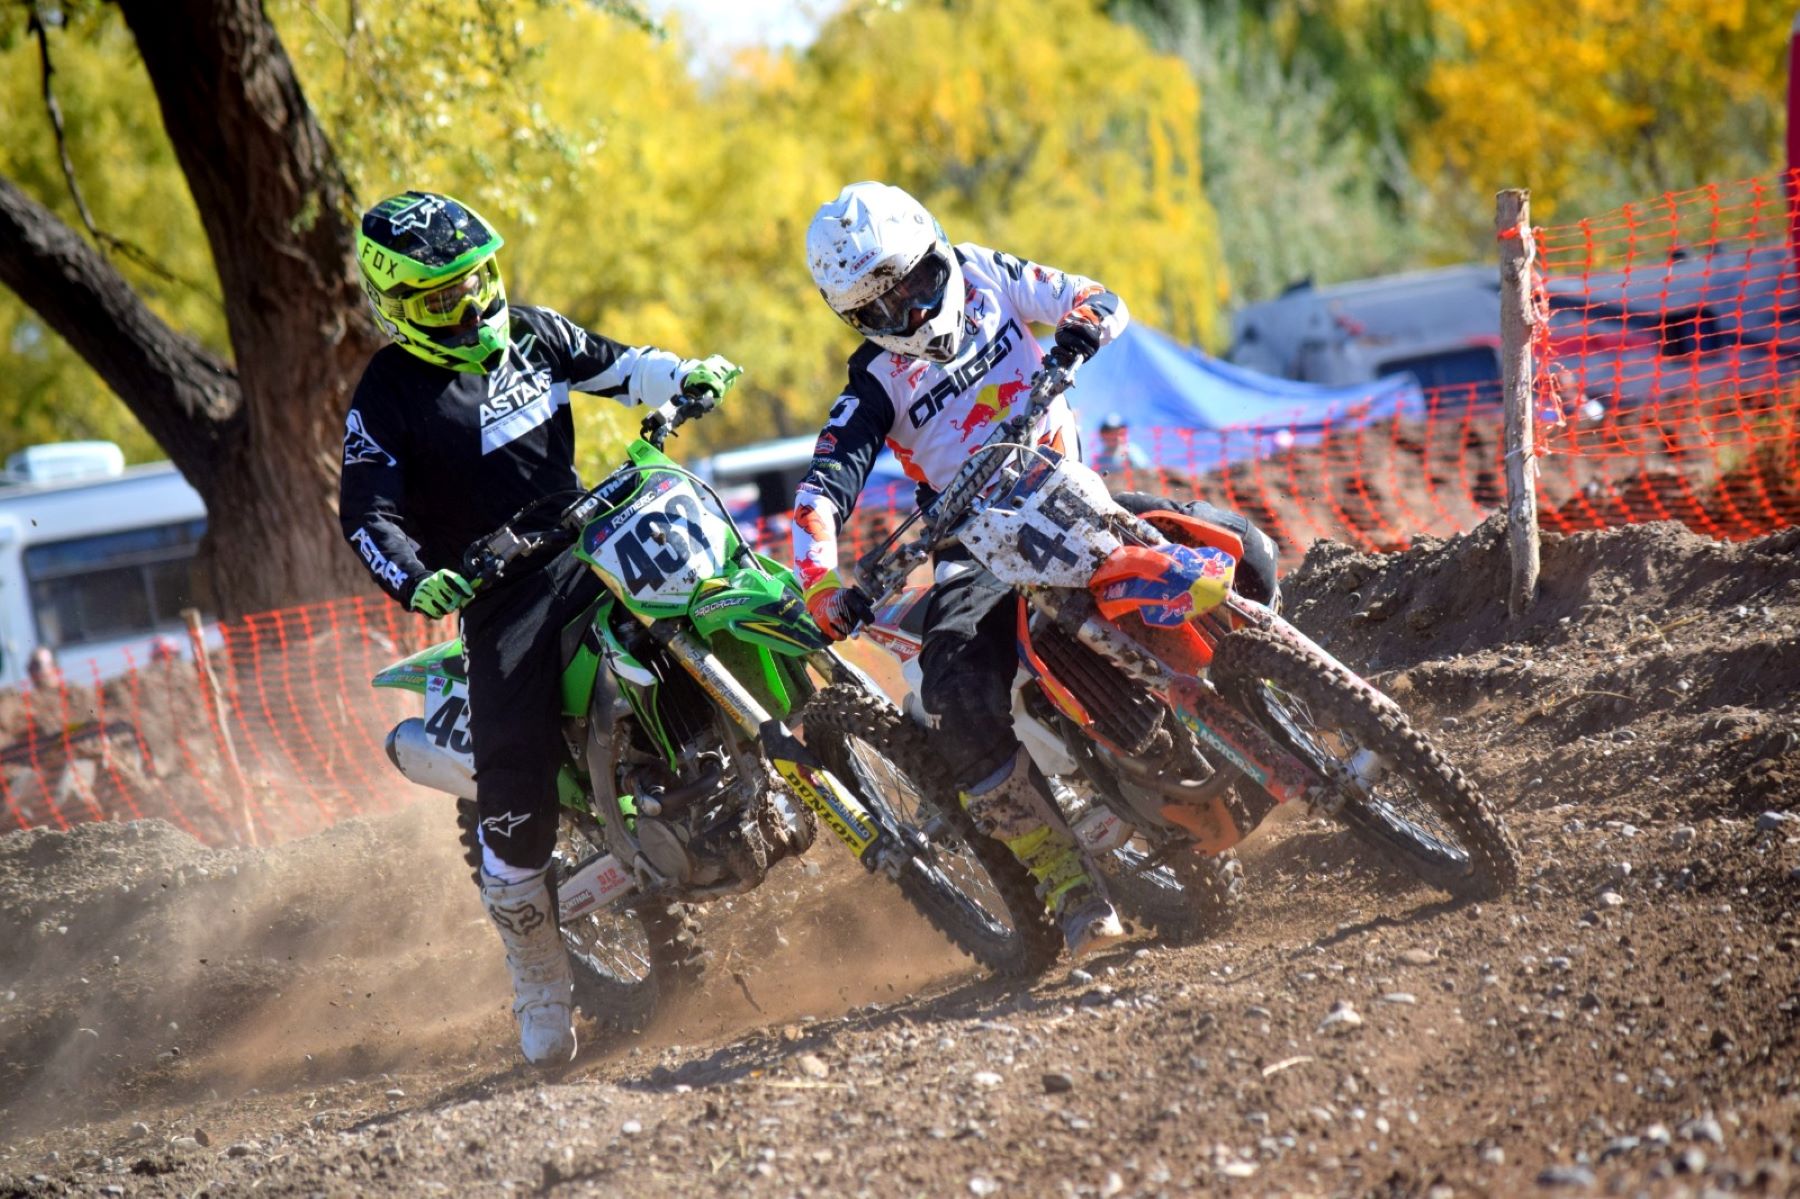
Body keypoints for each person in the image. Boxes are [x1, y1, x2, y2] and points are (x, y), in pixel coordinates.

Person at [339, 190, 740, 1065]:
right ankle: (539, 975)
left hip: (592, 534)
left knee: (711, 585)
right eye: (442, 296)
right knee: (514, 779)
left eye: (476, 278)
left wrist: (686, 376)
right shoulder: (387, 394)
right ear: (397, 303)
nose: (470, 301)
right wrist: (419, 578)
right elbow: (367, 513)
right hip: (502, 590)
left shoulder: (532, 332)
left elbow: (621, 366)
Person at [790, 180, 1136, 958]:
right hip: (976, 537)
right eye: (882, 309)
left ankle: (1271, 693)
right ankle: (1068, 882)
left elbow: (1094, 296)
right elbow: (819, 495)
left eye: (916, 284)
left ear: (935, 251)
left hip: (1074, 486)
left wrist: (1080, 331)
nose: (912, 314)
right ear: (854, 318)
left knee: (1227, 545)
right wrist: (821, 584)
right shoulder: (873, 382)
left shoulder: (986, 272)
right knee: (953, 691)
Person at [1090, 412, 1152, 476]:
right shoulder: (1099, 460)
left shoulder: (1131, 451)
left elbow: (1146, 471)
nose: (1114, 436)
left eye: (1118, 432)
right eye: (1109, 432)